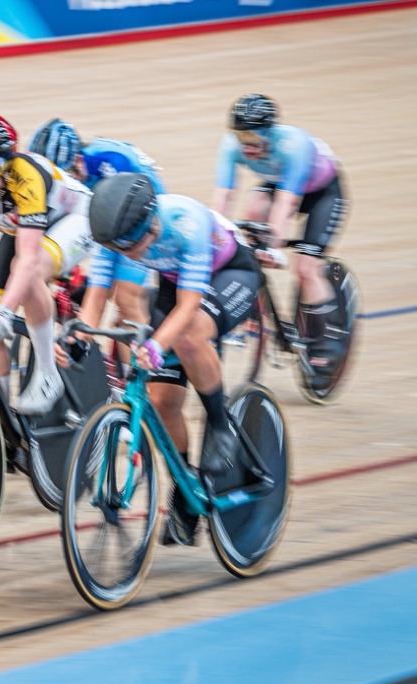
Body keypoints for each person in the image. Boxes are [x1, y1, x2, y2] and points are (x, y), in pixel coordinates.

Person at [88, 172, 261, 547]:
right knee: (162, 400)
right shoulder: (115, 235)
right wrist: (77, 336)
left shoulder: (187, 222)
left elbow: (189, 307)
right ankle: (184, 488)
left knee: (187, 334)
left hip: (231, 271)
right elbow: (98, 295)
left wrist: (154, 345)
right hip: (175, 279)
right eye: (117, 248)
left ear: (150, 223)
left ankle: (219, 425)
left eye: (130, 245)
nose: (126, 254)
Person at [0, 112, 149, 416]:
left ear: (2, 163)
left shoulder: (27, 176)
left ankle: (48, 375)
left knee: (29, 273)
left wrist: (7, 310)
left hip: (75, 219)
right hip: (23, 228)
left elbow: (26, 260)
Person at [211, 94, 350, 384]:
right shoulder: (231, 146)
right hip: (281, 186)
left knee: (306, 268)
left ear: (270, 133)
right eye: (240, 135)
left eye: (252, 137)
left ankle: (329, 340)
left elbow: (286, 204)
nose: (245, 144)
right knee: (254, 206)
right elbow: (222, 197)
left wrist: (272, 246)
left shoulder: (294, 145)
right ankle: (255, 302)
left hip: (323, 194)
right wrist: (215, 238)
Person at [27, 118, 163, 370]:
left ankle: (143, 382)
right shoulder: (74, 177)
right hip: (104, 217)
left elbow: (130, 214)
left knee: (126, 298)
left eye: (64, 176)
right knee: (94, 292)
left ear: (77, 160)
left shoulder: (111, 161)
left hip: (140, 221)